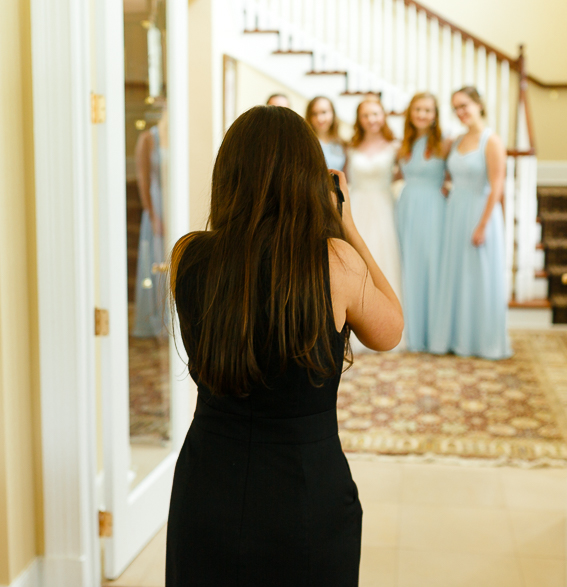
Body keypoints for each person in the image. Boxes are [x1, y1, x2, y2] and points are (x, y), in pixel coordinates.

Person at [165, 106, 403, 587]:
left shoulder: (187, 256)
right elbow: (390, 329)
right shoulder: (336, 261)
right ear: (309, 179)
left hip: (207, 485)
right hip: (305, 491)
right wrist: (347, 226)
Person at [429, 87, 512, 359]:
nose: (460, 112)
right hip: (455, 212)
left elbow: (497, 185)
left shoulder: (492, 141)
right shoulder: (456, 140)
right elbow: (442, 170)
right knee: (456, 275)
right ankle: (455, 338)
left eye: (464, 105)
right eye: (455, 108)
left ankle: (482, 341)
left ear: (478, 105)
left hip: (480, 211)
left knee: (479, 276)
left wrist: (482, 225)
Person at [346, 96, 402, 352]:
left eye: (376, 114)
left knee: (384, 262)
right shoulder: (350, 146)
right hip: (357, 206)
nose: (371, 120)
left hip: (383, 208)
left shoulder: (395, 146)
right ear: (359, 119)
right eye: (366, 115)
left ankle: (385, 324)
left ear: (383, 116)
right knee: (355, 264)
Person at [395, 92, 448, 351]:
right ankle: (411, 333)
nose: (422, 115)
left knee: (432, 266)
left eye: (427, 110)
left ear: (435, 115)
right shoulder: (404, 143)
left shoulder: (445, 143)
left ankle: (433, 334)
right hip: (407, 207)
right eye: (417, 109)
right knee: (408, 267)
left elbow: (455, 175)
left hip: (434, 209)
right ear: (410, 113)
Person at [132, 113, 166, 338]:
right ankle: (156, 318)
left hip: (173, 203)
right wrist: (153, 214)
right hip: (157, 205)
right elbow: (143, 178)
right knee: (156, 260)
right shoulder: (148, 138)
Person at [305, 95, 347, 172]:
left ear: (333, 114)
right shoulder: (305, 144)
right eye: (314, 114)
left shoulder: (342, 144)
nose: (320, 118)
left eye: (324, 112)